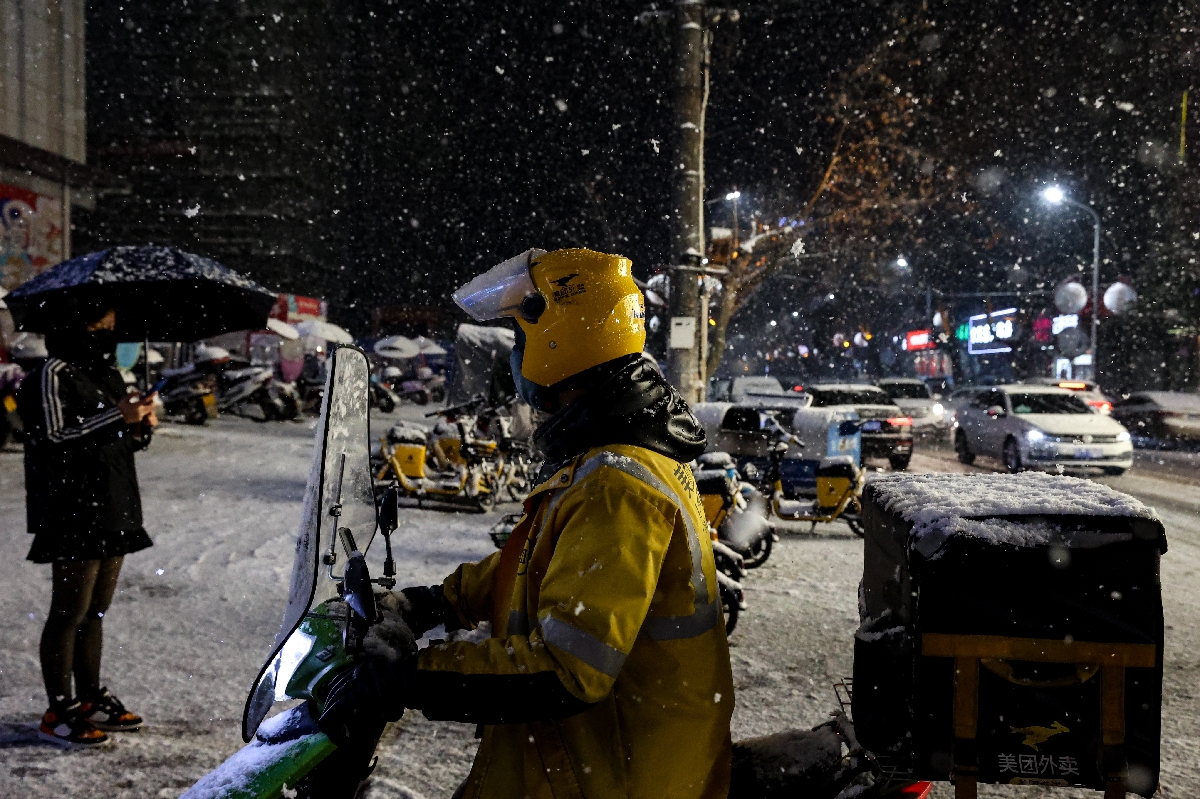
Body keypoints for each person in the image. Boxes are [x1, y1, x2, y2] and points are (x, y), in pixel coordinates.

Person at [319, 248, 735, 798]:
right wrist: (435, 603)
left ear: (560, 342)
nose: (514, 357)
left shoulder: (617, 486)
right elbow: (541, 563)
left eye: (520, 339)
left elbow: (566, 671)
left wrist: (410, 677)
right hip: (586, 762)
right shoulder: (608, 458)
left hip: (616, 779)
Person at [18, 303, 158, 745]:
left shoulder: (108, 374)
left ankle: (90, 697)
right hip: (72, 505)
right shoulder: (51, 373)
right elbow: (53, 438)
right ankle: (58, 710)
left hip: (115, 501)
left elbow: (114, 440)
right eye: (100, 327)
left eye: (112, 328)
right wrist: (117, 416)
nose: (107, 336)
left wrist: (138, 426)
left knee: (95, 611)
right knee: (69, 611)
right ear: (73, 325)